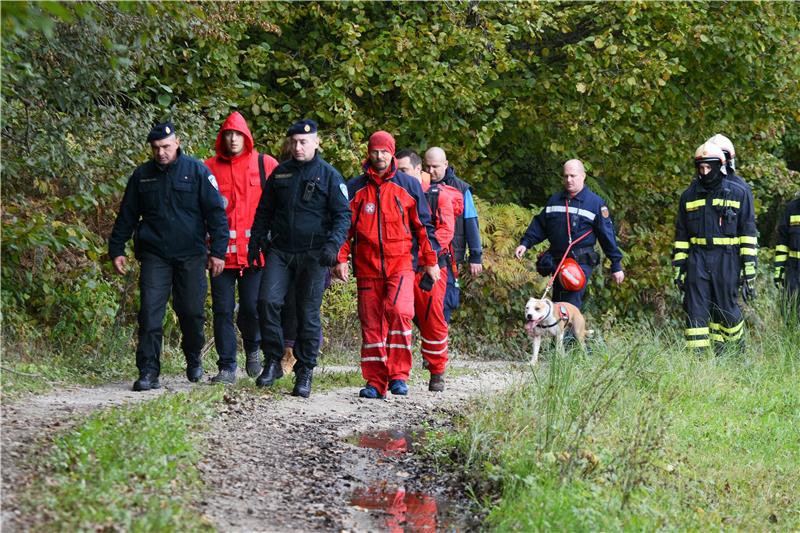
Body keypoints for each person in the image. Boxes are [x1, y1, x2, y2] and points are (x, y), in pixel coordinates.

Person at [109, 121, 228, 391]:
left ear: (177, 143)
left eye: (165, 146)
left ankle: (193, 355)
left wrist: (218, 252)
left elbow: (216, 215)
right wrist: (116, 249)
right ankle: (149, 371)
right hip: (155, 255)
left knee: (191, 313)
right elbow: (126, 215)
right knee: (150, 314)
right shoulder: (142, 176)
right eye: (155, 148)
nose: (161, 152)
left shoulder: (197, 172)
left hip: (191, 255)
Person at [333, 132, 441, 399]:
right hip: (367, 266)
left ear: (391, 153)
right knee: (370, 324)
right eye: (375, 151)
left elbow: (423, 226)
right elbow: (344, 227)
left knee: (400, 312)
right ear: (369, 153)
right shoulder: (356, 186)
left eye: (384, 151)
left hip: (401, 263)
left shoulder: (408, 185)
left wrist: (430, 261)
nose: (379, 156)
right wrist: (339, 258)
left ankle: (398, 376)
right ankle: (374, 382)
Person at [247, 119, 351, 397]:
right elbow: (264, 211)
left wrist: (333, 246)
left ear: (316, 142)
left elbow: (343, 216)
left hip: (315, 254)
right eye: (293, 141)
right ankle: (273, 361)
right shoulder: (280, 174)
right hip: (280, 251)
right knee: (266, 301)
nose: (298, 146)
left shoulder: (330, 175)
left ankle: (305, 370)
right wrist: (255, 241)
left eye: (303, 141)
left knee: (307, 313)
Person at [204, 112, 278, 384]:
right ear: (222, 137)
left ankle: (253, 349)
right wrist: (206, 250)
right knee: (222, 310)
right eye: (228, 134)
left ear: (246, 137)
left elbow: (281, 204)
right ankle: (226, 366)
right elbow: (200, 212)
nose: (233, 139)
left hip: (254, 254)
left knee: (251, 307)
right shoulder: (208, 167)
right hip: (220, 255)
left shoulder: (265, 164)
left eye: (237, 134)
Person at [671, 142, 757, 353]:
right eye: (700, 167)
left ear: (720, 166)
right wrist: (679, 270)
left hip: (727, 258)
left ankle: (735, 353)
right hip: (697, 258)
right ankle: (697, 361)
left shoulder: (738, 192)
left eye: (709, 167)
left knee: (727, 309)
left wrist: (749, 272)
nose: (704, 172)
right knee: (695, 309)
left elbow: (748, 234)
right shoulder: (688, 196)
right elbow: (681, 237)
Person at [514, 159, 625, 309]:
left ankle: (570, 333)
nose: (569, 180)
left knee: (568, 306)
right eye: (566, 176)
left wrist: (616, 264)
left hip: (580, 263)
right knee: (557, 306)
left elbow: (607, 236)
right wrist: (525, 243)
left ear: (583, 176)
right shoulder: (555, 200)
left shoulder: (595, 204)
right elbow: (540, 225)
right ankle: (564, 332)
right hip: (557, 262)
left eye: (573, 176)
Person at [397, 149, 463, 392]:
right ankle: (397, 375)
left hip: (431, 268)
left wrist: (428, 259)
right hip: (401, 265)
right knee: (397, 317)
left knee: (433, 320)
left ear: (417, 170)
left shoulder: (439, 196)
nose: (398, 176)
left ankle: (437, 372)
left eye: (403, 171)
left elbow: (445, 233)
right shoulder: (396, 193)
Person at [423, 147, 483, 322]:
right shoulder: (419, 184)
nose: (430, 171)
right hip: (423, 255)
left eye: (435, 166)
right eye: (427, 166)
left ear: (446, 164)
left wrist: (476, 256)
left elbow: (471, 222)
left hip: (450, 256)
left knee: (445, 300)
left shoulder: (462, 189)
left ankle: (440, 337)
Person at [707, 134, 758, 302]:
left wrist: (749, 267)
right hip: (703, 262)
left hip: (730, 262)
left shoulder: (740, 190)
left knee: (727, 311)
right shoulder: (699, 188)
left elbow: (747, 230)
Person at [774, 194, 800, 317]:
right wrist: (779, 271)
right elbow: (782, 243)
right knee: (790, 315)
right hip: (793, 273)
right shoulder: (792, 208)